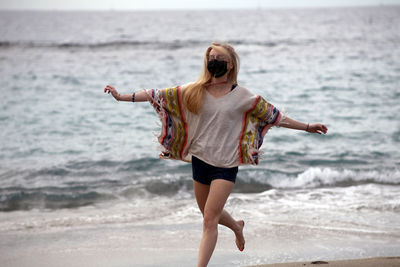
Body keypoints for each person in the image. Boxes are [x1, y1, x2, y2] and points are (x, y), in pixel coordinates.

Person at [104, 42, 328, 267]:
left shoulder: (243, 96)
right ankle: (237, 227)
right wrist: (121, 96)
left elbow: (274, 116)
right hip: (200, 160)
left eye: (218, 57)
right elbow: (157, 94)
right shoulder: (195, 90)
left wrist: (307, 126)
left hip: (226, 164)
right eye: (210, 57)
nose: (213, 61)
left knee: (209, 220)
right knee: (209, 213)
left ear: (229, 64)